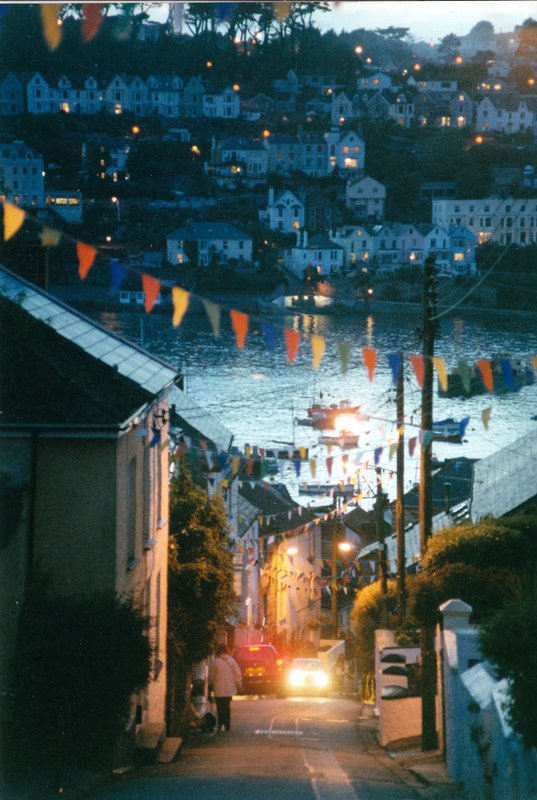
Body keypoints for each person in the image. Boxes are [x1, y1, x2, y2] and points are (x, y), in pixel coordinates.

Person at [208, 643, 242, 732]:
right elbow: (237, 674)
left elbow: (211, 676)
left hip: (218, 688)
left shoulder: (215, 662)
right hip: (229, 689)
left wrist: (210, 684)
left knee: (219, 707)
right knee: (227, 706)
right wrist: (239, 685)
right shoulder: (232, 661)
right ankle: (227, 724)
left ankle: (220, 724)